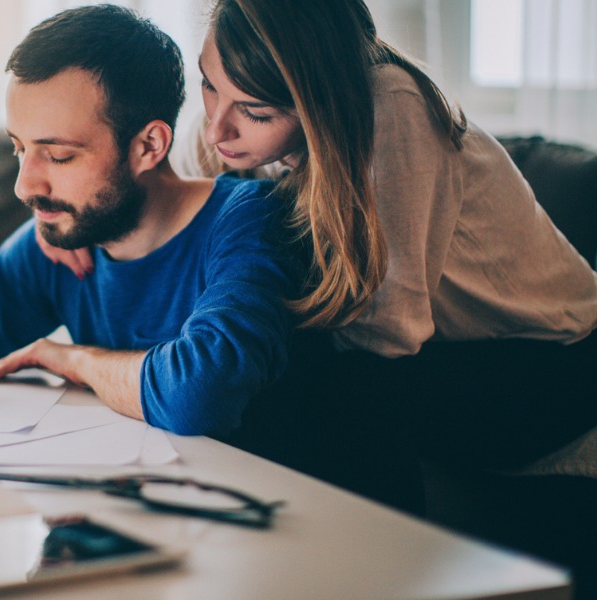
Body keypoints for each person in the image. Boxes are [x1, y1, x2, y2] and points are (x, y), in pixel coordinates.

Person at [38, 0, 597, 513]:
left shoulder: (390, 109)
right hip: (438, 351)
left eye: (255, 112)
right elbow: (164, 188)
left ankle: (371, 570)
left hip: (550, 355)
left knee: (301, 385)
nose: (217, 127)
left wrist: (231, 343)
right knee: (236, 366)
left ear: (319, 98)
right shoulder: (229, 116)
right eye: (210, 88)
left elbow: (390, 331)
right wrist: (77, 210)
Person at [0, 4, 301, 440]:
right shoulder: (61, 239)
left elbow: (200, 396)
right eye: (19, 148)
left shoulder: (251, 221)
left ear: (148, 146)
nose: (24, 187)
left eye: (58, 155)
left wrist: (71, 359)